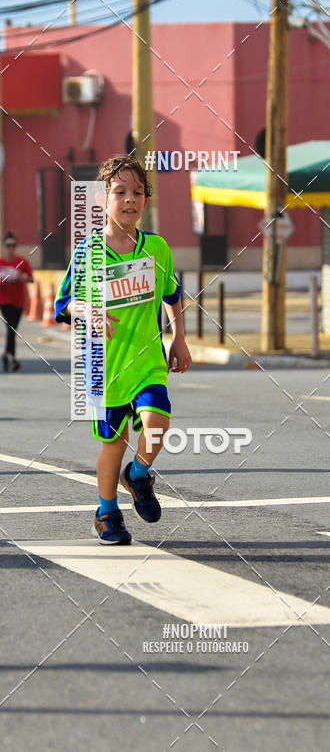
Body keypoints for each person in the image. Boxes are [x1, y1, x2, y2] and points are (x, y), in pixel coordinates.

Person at [55, 156, 191, 544]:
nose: (129, 199)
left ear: (146, 200)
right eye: (120, 192)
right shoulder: (88, 251)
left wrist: (178, 337)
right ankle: (106, 511)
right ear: (103, 199)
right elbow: (63, 302)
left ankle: (139, 474)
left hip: (148, 360)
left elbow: (172, 295)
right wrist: (86, 308)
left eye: (137, 192)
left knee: (158, 421)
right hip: (105, 365)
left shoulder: (157, 248)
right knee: (113, 443)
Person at [0, 232, 33, 372]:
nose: (11, 248)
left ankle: (5, 355)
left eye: (13, 245)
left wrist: (22, 277)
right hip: (4, 300)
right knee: (11, 328)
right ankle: (13, 358)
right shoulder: (0, 263)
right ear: (4, 246)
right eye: (8, 245)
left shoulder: (22, 262)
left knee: (12, 329)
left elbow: (31, 279)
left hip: (19, 301)